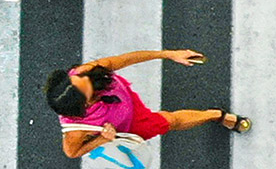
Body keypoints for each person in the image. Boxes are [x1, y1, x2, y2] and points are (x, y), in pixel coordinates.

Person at [45, 49, 244, 162]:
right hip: (129, 124)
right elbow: (72, 152)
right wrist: (102, 140)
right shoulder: (76, 132)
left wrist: (168, 54)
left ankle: (215, 116)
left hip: (123, 97)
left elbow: (124, 59)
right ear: (85, 104)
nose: (86, 76)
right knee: (170, 120)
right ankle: (215, 115)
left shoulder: (83, 72)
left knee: (168, 119)